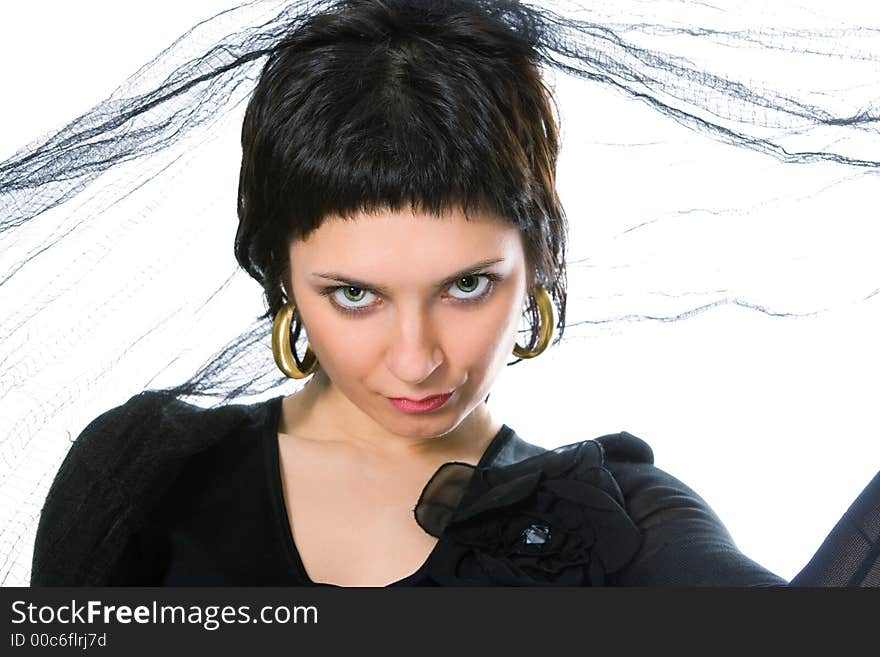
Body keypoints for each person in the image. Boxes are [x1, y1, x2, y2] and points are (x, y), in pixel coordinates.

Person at [5, 0, 877, 586]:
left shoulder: (616, 520)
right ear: (282, 275)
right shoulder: (142, 476)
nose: (419, 357)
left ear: (535, 263)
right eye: (354, 294)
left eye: (466, 285)